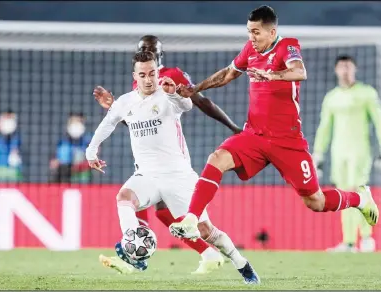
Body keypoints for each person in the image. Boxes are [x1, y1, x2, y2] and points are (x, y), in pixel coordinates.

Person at [169, 5, 379, 243]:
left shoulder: (287, 45)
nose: (251, 37)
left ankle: (360, 200)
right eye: (249, 31)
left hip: (287, 141)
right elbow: (228, 73)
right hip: (255, 136)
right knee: (216, 158)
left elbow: (300, 72)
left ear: (271, 31)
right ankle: (191, 219)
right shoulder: (250, 50)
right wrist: (195, 89)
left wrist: (273, 75)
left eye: (256, 32)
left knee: (316, 202)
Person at [86, 51, 259, 284]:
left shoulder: (167, 94)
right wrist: (91, 151)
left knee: (205, 231)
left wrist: (175, 94)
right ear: (134, 76)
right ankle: (132, 247)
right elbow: (108, 124)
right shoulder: (125, 102)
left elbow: (186, 105)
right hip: (147, 175)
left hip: (178, 177)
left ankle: (241, 263)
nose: (148, 79)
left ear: (158, 72)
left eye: (152, 74)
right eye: (143, 75)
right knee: (124, 198)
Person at [312, 55, 381, 253]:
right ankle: (348, 242)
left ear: (355, 69)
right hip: (338, 153)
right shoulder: (332, 97)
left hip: (360, 152)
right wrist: (318, 154)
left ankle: (366, 239)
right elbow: (325, 127)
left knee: (359, 193)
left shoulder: (367, 93)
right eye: (342, 67)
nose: (345, 70)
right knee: (343, 195)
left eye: (349, 66)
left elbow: (380, 122)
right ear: (336, 70)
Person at [50, 112, 92, 183]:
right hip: (64, 179)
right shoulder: (62, 142)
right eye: (73, 122)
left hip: (83, 180)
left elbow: (95, 163)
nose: (76, 126)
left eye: (78, 122)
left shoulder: (90, 142)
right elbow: (55, 163)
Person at [0, 110, 23, 182]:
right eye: (6, 119)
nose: (8, 122)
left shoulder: (18, 140)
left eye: (11, 119)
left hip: (13, 181)